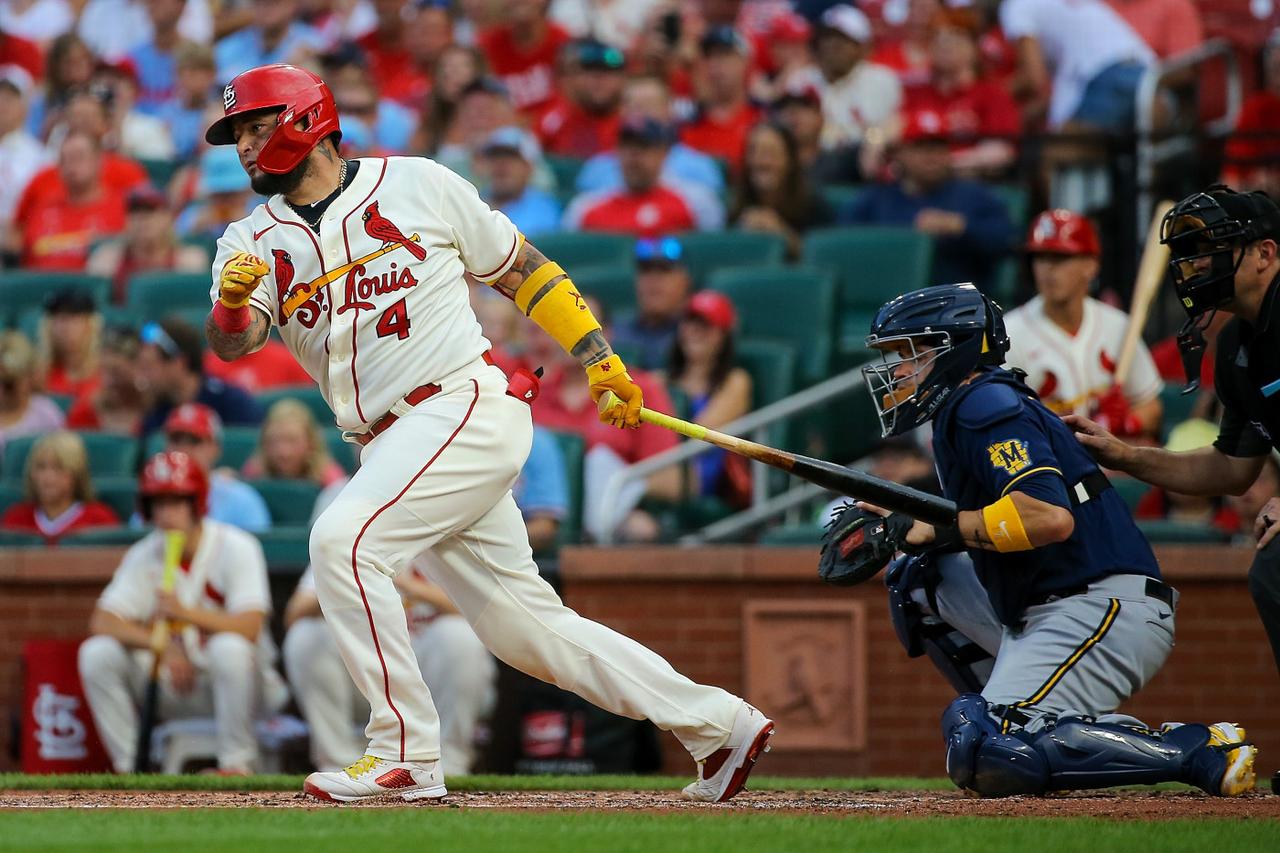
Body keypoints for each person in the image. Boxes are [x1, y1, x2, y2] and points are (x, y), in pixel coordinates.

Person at [202, 63, 772, 803]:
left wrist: (599, 358)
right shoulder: (248, 239)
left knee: (342, 540)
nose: (245, 147)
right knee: (526, 631)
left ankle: (403, 749)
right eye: (238, 136)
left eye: (256, 127)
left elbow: (524, 269)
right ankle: (720, 725)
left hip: (458, 406)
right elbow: (235, 344)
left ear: (307, 120)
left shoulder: (416, 183)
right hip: (388, 443)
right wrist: (232, 307)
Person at [836, 282, 1256, 799]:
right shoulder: (963, 408)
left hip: (1099, 603)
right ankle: (1027, 719)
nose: (898, 370)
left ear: (954, 350)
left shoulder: (982, 402)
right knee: (918, 578)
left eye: (911, 354)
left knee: (987, 746)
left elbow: (1047, 518)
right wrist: (906, 520)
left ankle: (1195, 749)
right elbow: (980, 519)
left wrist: (932, 528)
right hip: (1043, 605)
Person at [1066, 189, 1280, 786]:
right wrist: (1125, 456)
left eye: (1211, 250)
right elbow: (1231, 468)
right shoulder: (1238, 345)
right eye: (1189, 253)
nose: (1194, 266)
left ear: (1265, 254)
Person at [77, 450, 288, 774]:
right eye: (158, 504)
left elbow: (249, 627)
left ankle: (237, 763)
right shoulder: (145, 553)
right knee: (97, 653)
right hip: (179, 685)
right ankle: (131, 767)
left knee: (228, 648)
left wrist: (185, 612)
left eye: (176, 502)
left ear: (197, 503)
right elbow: (103, 620)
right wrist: (160, 644)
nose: (166, 514)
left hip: (246, 688)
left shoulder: (237, 546)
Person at [282, 556, 497, 775]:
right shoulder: (349, 546)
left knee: (459, 633)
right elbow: (294, 613)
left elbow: (485, 612)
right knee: (306, 634)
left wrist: (409, 585)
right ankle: (338, 764)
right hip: (368, 680)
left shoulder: (446, 546)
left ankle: (448, 765)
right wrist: (348, 584)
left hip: (430, 681)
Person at [1003, 209, 1163, 439]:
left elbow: (1152, 407)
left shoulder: (1117, 326)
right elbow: (1006, 429)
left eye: (1061, 258)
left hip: (1110, 457)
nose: (1048, 269)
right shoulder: (1009, 335)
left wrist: (1129, 422)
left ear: (1090, 265)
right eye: (1040, 258)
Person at [839, 108, 1015, 288]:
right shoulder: (876, 198)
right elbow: (845, 246)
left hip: (956, 298)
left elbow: (1008, 242)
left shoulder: (974, 195)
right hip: (888, 295)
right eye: (921, 147)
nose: (932, 156)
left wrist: (961, 227)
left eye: (939, 147)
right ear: (900, 153)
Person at [999, 0, 1154, 132]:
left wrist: (991, 94)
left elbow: (1033, 78)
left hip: (1106, 76)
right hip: (1150, 77)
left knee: (1059, 150)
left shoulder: (1016, 5)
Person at [563, 116, 724, 237]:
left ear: (663, 153)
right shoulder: (585, 208)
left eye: (643, 147)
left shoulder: (696, 202)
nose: (634, 156)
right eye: (627, 147)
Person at [666, 290, 752, 505]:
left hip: (697, 473)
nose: (695, 331)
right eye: (690, 322)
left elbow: (699, 433)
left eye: (705, 325)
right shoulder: (660, 379)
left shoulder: (735, 381)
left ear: (723, 335)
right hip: (662, 464)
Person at [10, 129, 131, 270]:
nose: (70, 165)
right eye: (64, 160)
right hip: (40, 280)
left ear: (99, 161)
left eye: (79, 157)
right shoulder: (42, 207)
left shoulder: (123, 208)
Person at [136, 316, 263, 438]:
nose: (143, 376)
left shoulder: (231, 403)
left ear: (180, 364)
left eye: (148, 367)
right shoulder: (154, 414)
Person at [87, 185, 210, 305]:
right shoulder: (108, 259)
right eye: (134, 212)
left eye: (150, 211)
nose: (141, 219)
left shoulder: (188, 258)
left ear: (167, 217)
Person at [729, 121, 834, 259]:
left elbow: (826, 258)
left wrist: (781, 232)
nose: (761, 162)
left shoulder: (815, 205)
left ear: (790, 160)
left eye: (770, 153)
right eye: (754, 152)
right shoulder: (736, 205)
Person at [162, 402, 271, 533]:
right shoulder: (152, 497)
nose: (184, 449)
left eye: (194, 441)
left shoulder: (241, 499)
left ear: (215, 448)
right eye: (176, 441)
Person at [1, 429, 121, 545]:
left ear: (77, 473)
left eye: (58, 467)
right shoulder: (14, 520)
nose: (47, 476)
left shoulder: (100, 520)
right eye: (41, 467)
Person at [812, 5, 901, 153]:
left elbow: (892, 127)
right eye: (827, 38)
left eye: (842, 40)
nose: (832, 46)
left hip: (863, 157)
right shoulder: (802, 80)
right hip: (814, 158)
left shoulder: (882, 80)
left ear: (862, 47)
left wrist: (876, 142)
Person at [680, 26, 762, 173]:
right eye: (708, 56)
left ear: (745, 61)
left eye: (725, 54)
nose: (715, 64)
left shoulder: (763, 118)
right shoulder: (687, 124)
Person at [609, 236, 694, 372]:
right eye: (645, 271)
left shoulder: (697, 332)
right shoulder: (616, 332)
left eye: (665, 271)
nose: (653, 280)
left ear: (685, 281)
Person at [535, 38, 625, 159]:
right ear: (575, 79)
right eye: (590, 73)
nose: (599, 80)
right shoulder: (556, 119)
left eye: (608, 73)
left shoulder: (631, 121)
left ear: (623, 80)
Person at [474, 126, 561, 238]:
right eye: (495, 157)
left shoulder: (543, 209)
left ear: (529, 167)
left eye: (511, 158)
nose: (501, 165)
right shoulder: (473, 199)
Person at [241, 398, 347, 488]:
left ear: (311, 442)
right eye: (275, 441)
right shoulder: (254, 474)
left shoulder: (330, 478)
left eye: (292, 441)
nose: (283, 452)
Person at [66, 325, 148, 434]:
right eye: (105, 371)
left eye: (116, 372)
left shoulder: (151, 408)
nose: (110, 383)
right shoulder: (85, 409)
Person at [0, 331, 65, 461]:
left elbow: (63, 458)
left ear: (28, 378)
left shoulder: (46, 413)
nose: (2, 390)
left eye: (9, 384)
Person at [37, 288, 102, 398]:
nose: (66, 328)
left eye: (74, 319)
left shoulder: (105, 372)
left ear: (90, 325)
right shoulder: (38, 374)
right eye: (60, 319)